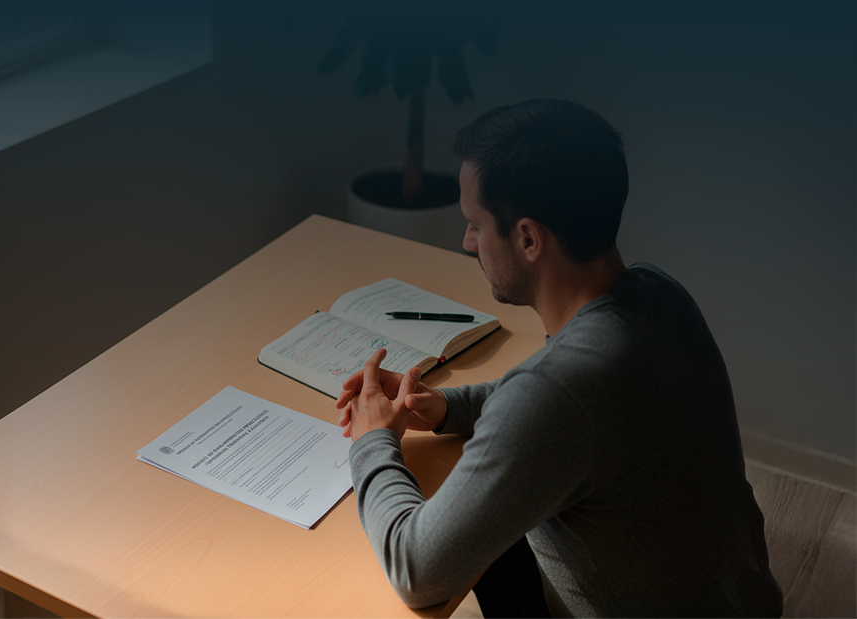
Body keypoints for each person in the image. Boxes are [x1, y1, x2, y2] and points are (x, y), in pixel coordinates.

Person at [335, 99, 783, 618]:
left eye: (476, 225)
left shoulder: (557, 396)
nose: (467, 242)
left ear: (528, 239)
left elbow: (415, 570)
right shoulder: (661, 296)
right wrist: (445, 407)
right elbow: (570, 410)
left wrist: (371, 440)